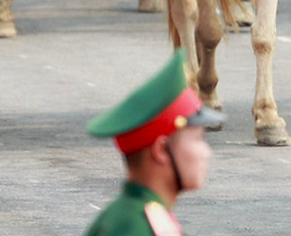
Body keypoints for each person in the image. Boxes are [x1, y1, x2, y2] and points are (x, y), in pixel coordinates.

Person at [83, 49, 221, 236]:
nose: (207, 153)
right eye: (198, 140)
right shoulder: (132, 228)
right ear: (162, 150)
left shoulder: (141, 216)